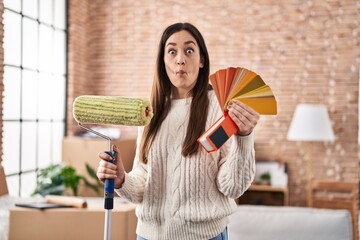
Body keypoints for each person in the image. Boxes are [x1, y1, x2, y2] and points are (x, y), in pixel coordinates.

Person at [97, 22, 259, 240]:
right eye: (171, 51)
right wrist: (121, 180)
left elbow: (232, 187)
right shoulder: (149, 111)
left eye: (189, 50)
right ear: (163, 61)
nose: (180, 59)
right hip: (148, 235)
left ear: (202, 60)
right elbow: (143, 182)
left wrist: (244, 138)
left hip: (204, 236)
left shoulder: (220, 108)